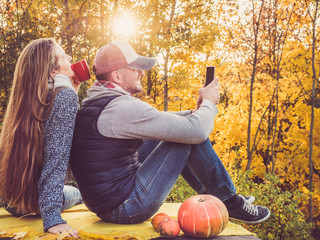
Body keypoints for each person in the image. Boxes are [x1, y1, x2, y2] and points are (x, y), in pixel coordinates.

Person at [70, 40, 270, 226]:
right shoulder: (120, 108)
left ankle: (217, 196)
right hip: (125, 207)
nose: (141, 73)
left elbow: (160, 119)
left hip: (107, 201)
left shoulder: (99, 102)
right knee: (187, 136)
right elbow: (196, 132)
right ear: (117, 76)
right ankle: (228, 200)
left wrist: (195, 113)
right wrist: (209, 103)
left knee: (186, 127)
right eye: (135, 68)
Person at [0, 38, 83, 238]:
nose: (70, 60)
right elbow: (56, 160)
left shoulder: (25, 101)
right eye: (64, 57)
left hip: (11, 201)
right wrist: (53, 218)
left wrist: (73, 91)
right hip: (37, 203)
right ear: (53, 71)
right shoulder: (64, 98)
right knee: (80, 194)